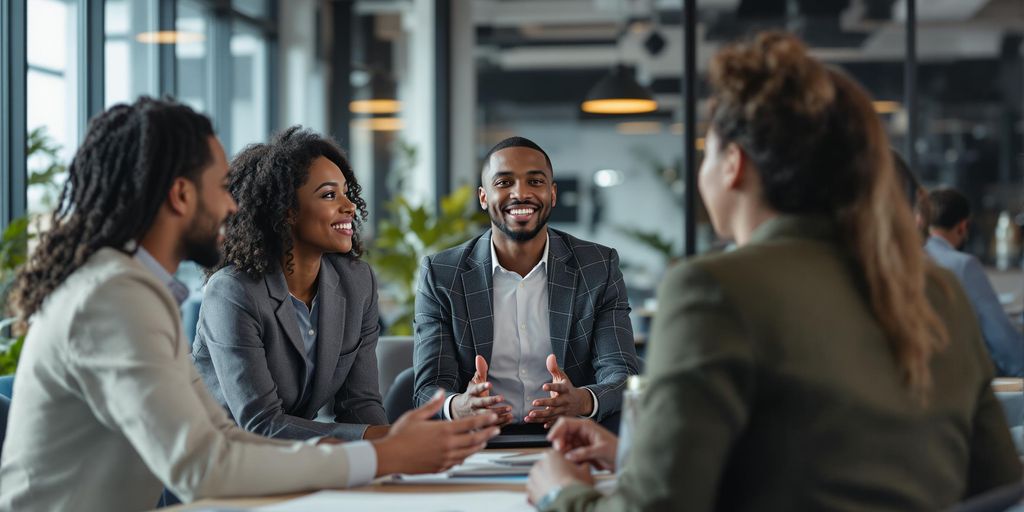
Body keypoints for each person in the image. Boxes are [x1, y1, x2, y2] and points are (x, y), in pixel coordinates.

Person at [526, 32, 1021, 511]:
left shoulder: (714, 290)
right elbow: (994, 485)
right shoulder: (934, 290)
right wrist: (637, 462)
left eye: (707, 151)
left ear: (733, 164)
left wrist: (560, 492)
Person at [0, 97, 497, 512]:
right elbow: (202, 465)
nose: (234, 205)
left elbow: (222, 435)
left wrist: (386, 449)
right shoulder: (112, 298)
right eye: (220, 188)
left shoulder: (136, 291)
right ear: (180, 195)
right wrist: (379, 455)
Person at [413, 136, 640, 429]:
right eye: (504, 183)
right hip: (477, 443)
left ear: (553, 193)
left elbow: (621, 375)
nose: (520, 193)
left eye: (535, 182)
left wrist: (581, 400)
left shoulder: (597, 267)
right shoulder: (442, 273)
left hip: (571, 438)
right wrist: (461, 406)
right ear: (483, 197)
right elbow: (427, 389)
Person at [193, 126, 388, 441]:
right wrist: (381, 439)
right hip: (217, 463)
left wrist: (396, 453)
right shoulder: (232, 292)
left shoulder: (357, 282)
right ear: (287, 211)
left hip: (296, 462)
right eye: (328, 194)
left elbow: (360, 406)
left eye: (346, 192)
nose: (349, 206)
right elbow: (261, 424)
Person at [925, 187, 1024, 377]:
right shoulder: (963, 265)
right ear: (963, 226)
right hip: (959, 380)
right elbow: (1002, 339)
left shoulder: (907, 259)